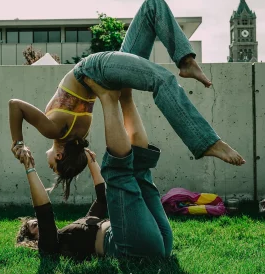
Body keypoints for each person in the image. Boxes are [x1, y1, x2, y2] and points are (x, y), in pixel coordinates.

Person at [9, 0, 245, 199]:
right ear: (59, 156)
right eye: (52, 165)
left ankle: (186, 61)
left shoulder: (77, 133)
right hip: (97, 68)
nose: (47, 161)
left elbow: (38, 102)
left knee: (153, 7)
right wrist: (18, 144)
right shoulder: (55, 131)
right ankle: (206, 142)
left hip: (104, 74)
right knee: (162, 79)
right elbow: (15, 105)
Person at [15, 87, 173, 259]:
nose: (37, 223)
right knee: (119, 173)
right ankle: (110, 97)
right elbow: (44, 211)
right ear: (31, 240)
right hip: (131, 244)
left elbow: (102, 198)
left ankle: (125, 96)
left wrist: (91, 161)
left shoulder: (79, 226)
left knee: (140, 169)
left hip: (157, 240)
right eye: (33, 226)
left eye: (34, 222)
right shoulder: (52, 246)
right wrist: (29, 168)